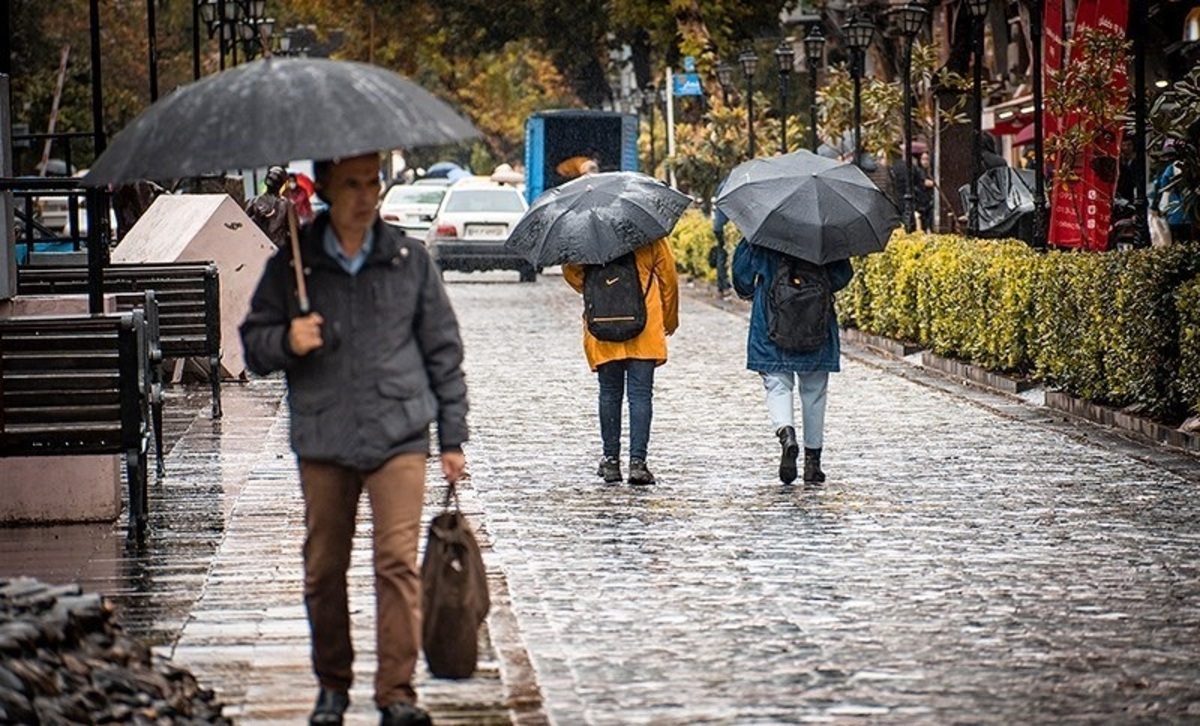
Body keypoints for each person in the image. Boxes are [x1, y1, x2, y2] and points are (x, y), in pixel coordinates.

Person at [240, 153, 468, 726]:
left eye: (373, 183)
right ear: (326, 191)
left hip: (400, 431)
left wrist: (452, 438)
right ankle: (333, 687)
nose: (366, 196)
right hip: (325, 432)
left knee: (396, 562)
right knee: (323, 566)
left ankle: (396, 693)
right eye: (352, 185)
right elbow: (252, 347)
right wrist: (288, 338)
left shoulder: (408, 259)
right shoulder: (297, 264)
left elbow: (443, 351)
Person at [732, 241, 853, 485]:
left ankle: (786, 434)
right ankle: (813, 462)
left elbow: (742, 278)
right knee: (814, 391)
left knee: (777, 384)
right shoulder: (824, 232)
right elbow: (842, 275)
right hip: (815, 319)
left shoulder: (760, 234)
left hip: (770, 320)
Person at [562, 238, 679, 485]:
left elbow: (572, 274)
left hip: (603, 326)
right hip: (645, 328)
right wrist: (669, 319)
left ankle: (611, 461)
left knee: (609, 394)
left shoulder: (586, 237)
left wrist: (603, 288)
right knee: (640, 396)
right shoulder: (650, 237)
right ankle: (638, 463)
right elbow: (669, 277)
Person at [243, 166, 293, 248]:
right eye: (271, 174)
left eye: (276, 176)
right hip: (258, 245)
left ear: (281, 183)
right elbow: (245, 224)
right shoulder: (253, 201)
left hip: (278, 248)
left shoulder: (287, 205)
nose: (272, 177)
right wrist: (257, 217)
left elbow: (293, 231)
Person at [710, 177, 733, 298]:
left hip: (719, 225)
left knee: (721, 254)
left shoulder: (723, 184)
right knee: (723, 255)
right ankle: (724, 285)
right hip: (723, 225)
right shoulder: (729, 185)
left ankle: (721, 285)